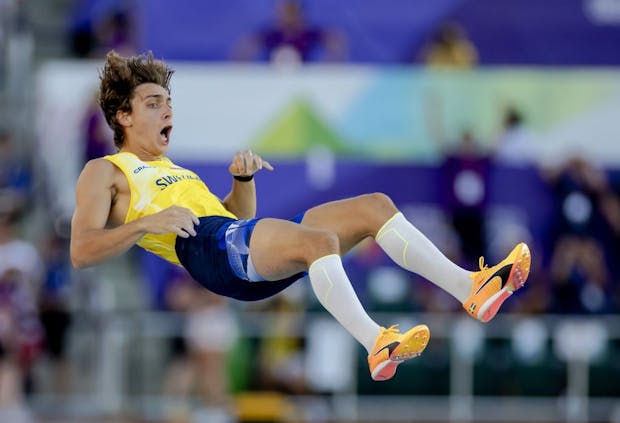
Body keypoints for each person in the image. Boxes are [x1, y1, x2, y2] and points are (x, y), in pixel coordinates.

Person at [70, 51, 531, 382]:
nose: (167, 110)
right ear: (123, 116)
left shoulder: (172, 170)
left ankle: (471, 288)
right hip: (211, 253)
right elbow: (82, 250)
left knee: (374, 206)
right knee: (318, 243)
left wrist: (241, 183)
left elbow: (235, 218)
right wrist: (143, 225)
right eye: (153, 104)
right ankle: (376, 343)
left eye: (168, 102)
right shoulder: (105, 171)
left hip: (233, 240)